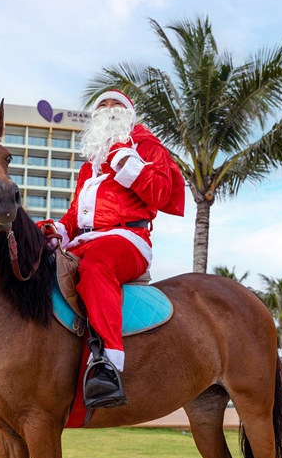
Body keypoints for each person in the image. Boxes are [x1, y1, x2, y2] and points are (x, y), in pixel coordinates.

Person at [37, 90, 185, 408]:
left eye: (116, 104)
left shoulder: (144, 145)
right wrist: (58, 230)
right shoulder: (88, 168)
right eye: (102, 105)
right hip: (85, 241)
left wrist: (124, 160)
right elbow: (76, 216)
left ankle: (107, 362)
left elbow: (161, 192)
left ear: (130, 113)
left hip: (128, 240)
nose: (108, 109)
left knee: (96, 267)